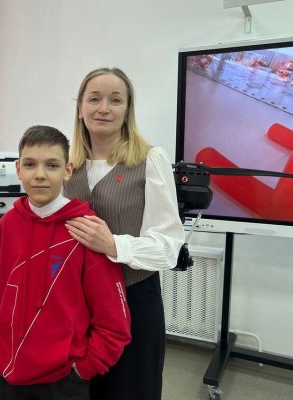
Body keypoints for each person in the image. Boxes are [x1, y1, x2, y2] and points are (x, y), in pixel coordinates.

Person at [0, 125, 132, 400]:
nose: (40, 174)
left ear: (67, 170)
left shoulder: (86, 229)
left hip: (62, 381)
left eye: (51, 165)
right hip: (5, 369)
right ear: (18, 169)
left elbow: (114, 322)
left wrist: (83, 369)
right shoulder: (8, 224)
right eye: (30, 164)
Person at [63, 67, 185, 400]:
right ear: (80, 108)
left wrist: (113, 245)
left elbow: (169, 246)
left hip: (133, 300)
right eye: (94, 99)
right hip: (78, 305)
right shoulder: (68, 165)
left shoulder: (151, 160)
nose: (104, 108)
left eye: (115, 100)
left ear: (127, 109)